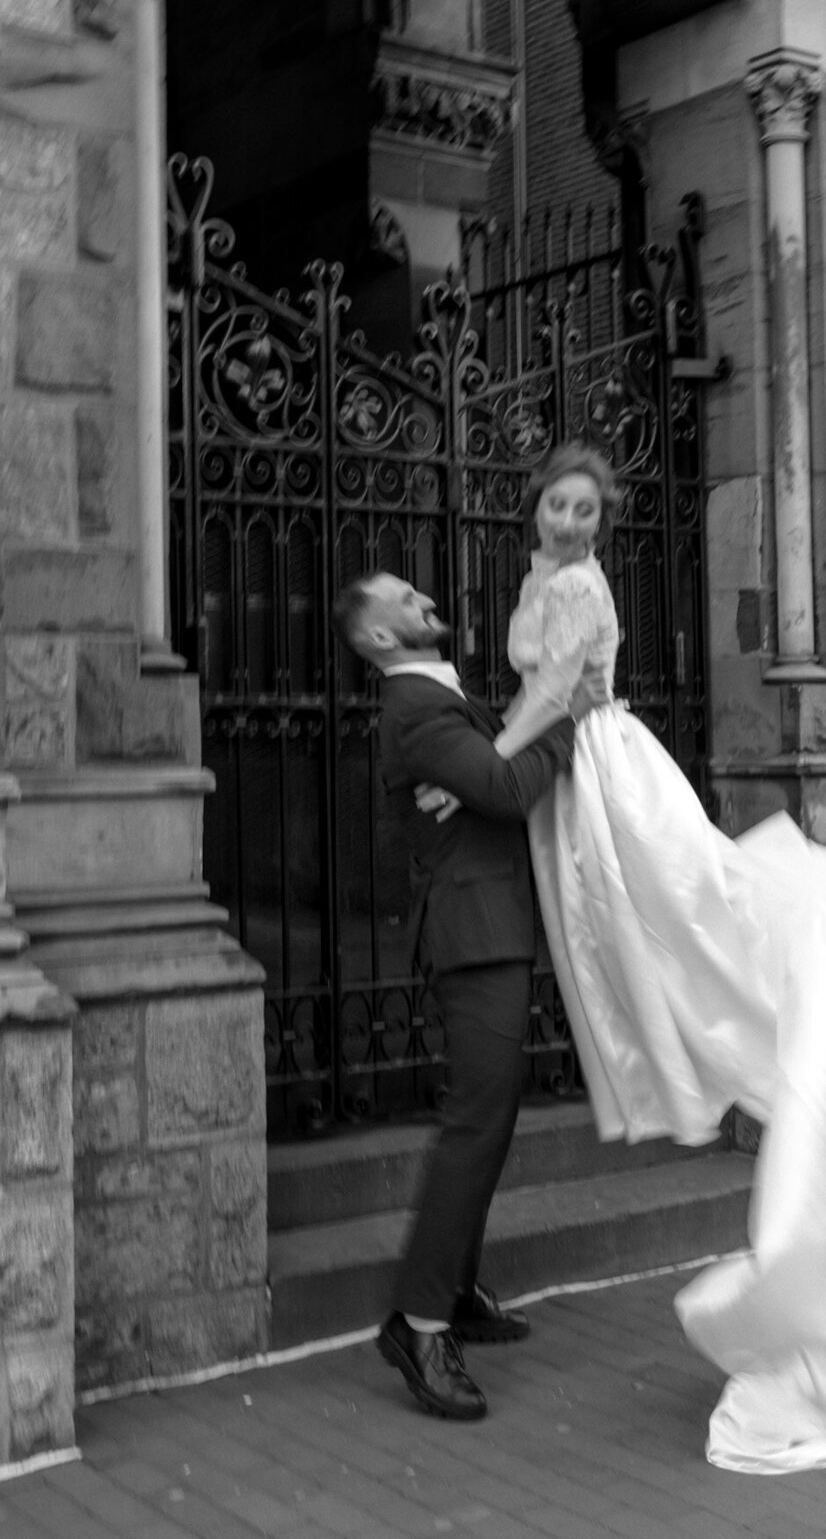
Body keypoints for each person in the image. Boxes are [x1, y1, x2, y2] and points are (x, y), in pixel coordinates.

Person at [473, 441, 826, 1474]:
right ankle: (692, 1031)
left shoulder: (575, 585)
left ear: (598, 522)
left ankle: (763, 994)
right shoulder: (538, 575)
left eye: (586, 509)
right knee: (636, 935)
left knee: (684, 912)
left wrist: (483, 760)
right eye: (558, 506)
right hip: (573, 779)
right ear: (536, 508)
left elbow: (555, 692)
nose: (571, 522)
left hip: (607, 768)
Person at [331, 571, 599, 1424]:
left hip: (495, 921)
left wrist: (493, 769)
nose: (421, 601)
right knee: (476, 1117)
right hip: (473, 931)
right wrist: (571, 719)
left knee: (493, 1112)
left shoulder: (443, 699)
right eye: (401, 601)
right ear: (378, 638)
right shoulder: (414, 710)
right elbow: (512, 790)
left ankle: (455, 1290)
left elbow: (493, 778)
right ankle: (418, 1324)